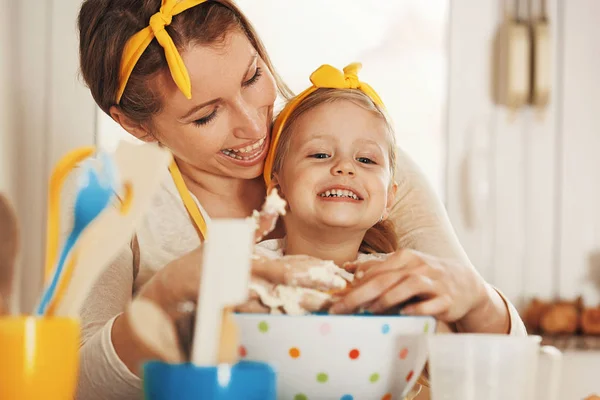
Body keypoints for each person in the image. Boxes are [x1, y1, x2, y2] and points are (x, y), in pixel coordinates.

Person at [70, 1, 525, 399]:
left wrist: (479, 299)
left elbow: (502, 368)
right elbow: (76, 386)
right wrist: (167, 295)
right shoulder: (114, 197)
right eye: (206, 115)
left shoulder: (363, 160)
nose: (252, 126)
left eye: (252, 77)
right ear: (136, 127)